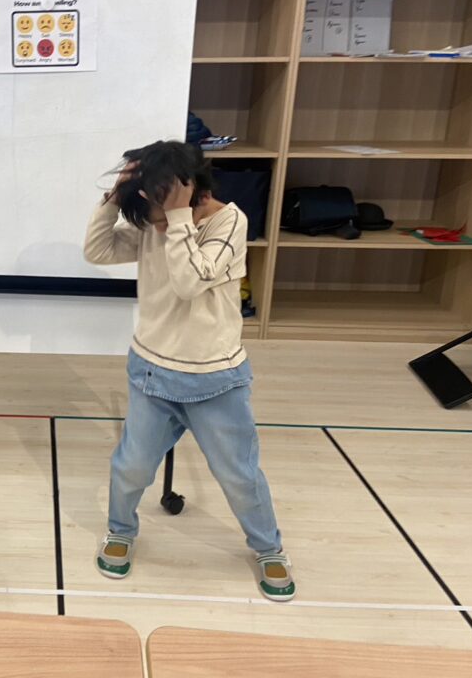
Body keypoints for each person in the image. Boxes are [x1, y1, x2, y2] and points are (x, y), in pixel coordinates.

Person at [83, 139, 295, 602]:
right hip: (152, 373)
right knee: (132, 466)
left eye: (160, 210)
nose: (154, 223)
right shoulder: (155, 222)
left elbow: (188, 282)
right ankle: (121, 529)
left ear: (192, 191)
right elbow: (98, 251)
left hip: (215, 380)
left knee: (238, 475)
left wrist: (176, 217)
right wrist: (115, 199)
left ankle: (268, 547)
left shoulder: (228, 222)